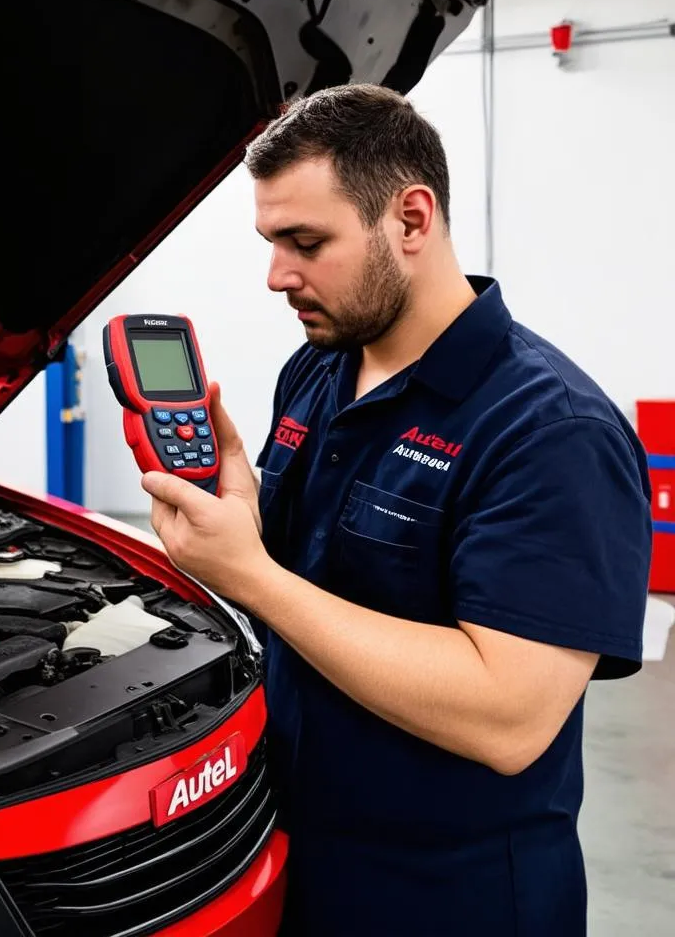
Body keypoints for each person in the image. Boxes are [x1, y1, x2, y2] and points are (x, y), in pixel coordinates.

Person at [141, 84, 652, 936]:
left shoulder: (551, 431)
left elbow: (510, 716)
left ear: (411, 221)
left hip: (453, 896)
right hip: (295, 853)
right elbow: (324, 561)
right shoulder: (318, 368)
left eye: (306, 242)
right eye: (271, 242)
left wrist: (253, 579)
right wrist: (243, 510)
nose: (277, 277)